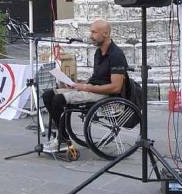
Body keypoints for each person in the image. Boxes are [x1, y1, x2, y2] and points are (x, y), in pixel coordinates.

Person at [42, 19, 128, 153]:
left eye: (94, 32)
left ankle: (63, 139)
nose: (90, 36)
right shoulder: (99, 52)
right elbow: (96, 78)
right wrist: (78, 85)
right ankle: (63, 136)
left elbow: (116, 87)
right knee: (48, 95)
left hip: (104, 94)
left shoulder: (117, 55)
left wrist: (87, 88)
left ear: (105, 34)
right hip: (92, 88)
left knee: (59, 99)